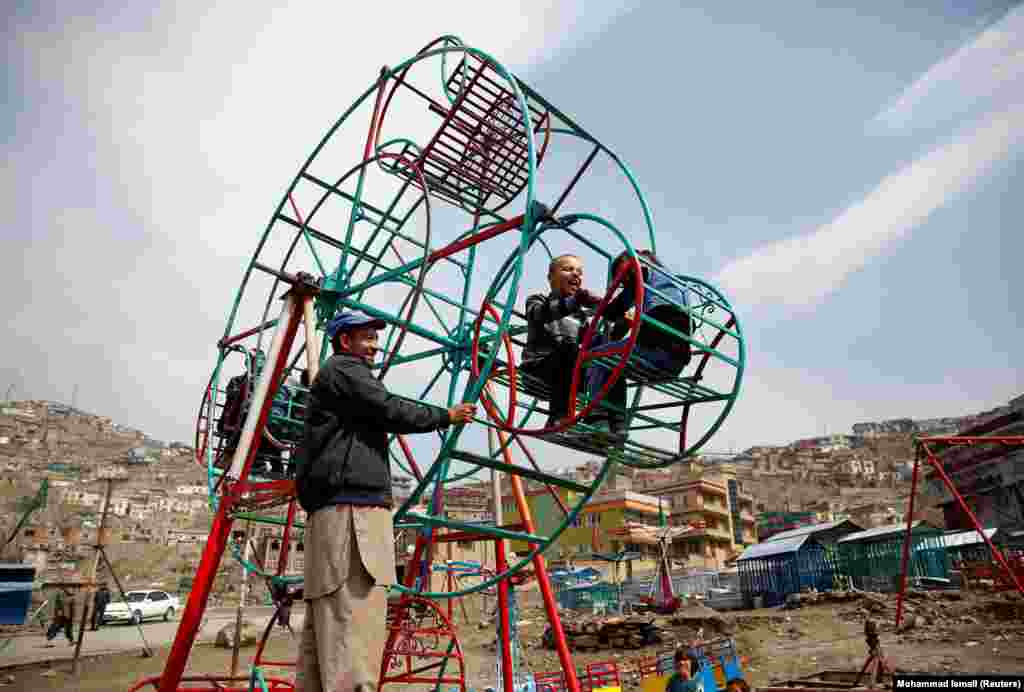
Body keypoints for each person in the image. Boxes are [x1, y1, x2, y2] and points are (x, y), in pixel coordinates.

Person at [293, 310, 476, 692]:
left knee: (329, 631)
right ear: (345, 341)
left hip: (337, 511)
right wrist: (445, 415)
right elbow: (388, 407)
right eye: (368, 338)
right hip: (351, 514)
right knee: (355, 622)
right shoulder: (345, 369)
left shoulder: (337, 375)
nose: (376, 346)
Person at [585, 250, 693, 434]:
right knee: (615, 361)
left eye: (625, 275)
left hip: (653, 350)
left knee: (597, 355)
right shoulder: (675, 285)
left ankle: (598, 418)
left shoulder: (641, 273)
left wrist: (594, 302)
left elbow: (614, 310)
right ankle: (618, 424)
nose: (626, 280)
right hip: (676, 361)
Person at [521, 254, 617, 429]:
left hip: (568, 371)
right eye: (567, 269)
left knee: (611, 361)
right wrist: (575, 301)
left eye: (579, 272)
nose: (575, 274)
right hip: (538, 368)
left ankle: (608, 420)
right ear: (550, 277)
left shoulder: (579, 315)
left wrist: (619, 325)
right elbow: (539, 314)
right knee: (569, 347)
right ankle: (559, 418)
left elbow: (593, 341)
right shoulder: (538, 300)